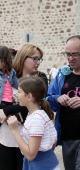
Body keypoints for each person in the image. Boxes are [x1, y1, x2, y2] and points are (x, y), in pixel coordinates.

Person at [0, 44, 48, 170]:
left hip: (28, 140)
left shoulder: (41, 78)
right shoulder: (7, 77)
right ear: (23, 58)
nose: (38, 62)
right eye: (35, 58)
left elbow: (34, 104)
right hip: (5, 137)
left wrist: (7, 111)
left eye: (40, 59)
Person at [7, 76, 60, 170]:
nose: (16, 95)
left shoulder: (36, 119)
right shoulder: (38, 114)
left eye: (19, 92)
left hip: (42, 166)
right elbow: (52, 143)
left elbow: (31, 155)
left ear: (29, 96)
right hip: (45, 163)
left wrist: (14, 130)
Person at [46, 35, 80, 170]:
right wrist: (57, 98)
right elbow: (48, 100)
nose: (70, 58)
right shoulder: (62, 75)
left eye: (75, 54)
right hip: (68, 137)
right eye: (68, 54)